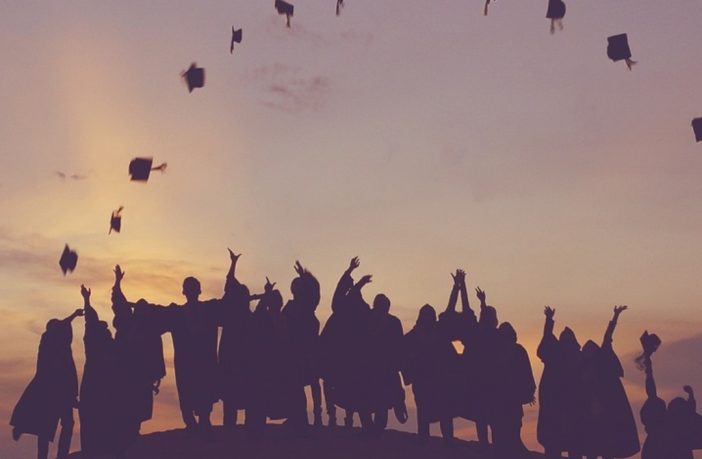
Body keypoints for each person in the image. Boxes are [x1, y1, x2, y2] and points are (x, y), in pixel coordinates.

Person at [112, 249, 238, 437]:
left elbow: (230, 300)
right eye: (190, 288)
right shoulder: (178, 313)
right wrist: (121, 289)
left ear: (195, 291)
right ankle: (194, 425)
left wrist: (232, 266)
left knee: (203, 400)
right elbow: (148, 311)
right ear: (186, 292)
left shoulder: (207, 310)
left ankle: (201, 424)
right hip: (187, 365)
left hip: (203, 363)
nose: (192, 291)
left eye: (193, 288)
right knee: (188, 399)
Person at [11, 308, 82, 459]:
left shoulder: (55, 345)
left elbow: (63, 324)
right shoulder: (50, 344)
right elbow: (63, 325)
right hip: (54, 392)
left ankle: (59, 455)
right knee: (49, 426)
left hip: (61, 392)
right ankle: (51, 455)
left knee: (61, 424)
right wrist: (74, 316)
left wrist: (74, 315)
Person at [319, 257, 374, 431]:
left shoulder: (354, 308)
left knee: (348, 384)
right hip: (335, 351)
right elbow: (343, 292)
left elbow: (347, 293)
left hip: (348, 353)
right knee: (330, 382)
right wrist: (353, 274)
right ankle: (333, 415)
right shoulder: (342, 307)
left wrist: (357, 280)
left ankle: (345, 416)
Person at [111, 265, 166, 436]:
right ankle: (128, 434)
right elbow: (118, 302)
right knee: (127, 407)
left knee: (137, 409)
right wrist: (117, 282)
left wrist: (156, 376)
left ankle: (133, 433)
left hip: (141, 375)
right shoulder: (128, 323)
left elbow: (156, 354)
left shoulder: (150, 331)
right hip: (126, 372)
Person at [79, 284, 133, 458]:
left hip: (103, 395)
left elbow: (91, 321)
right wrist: (87, 301)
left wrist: (87, 300)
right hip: (97, 394)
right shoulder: (100, 347)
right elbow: (91, 321)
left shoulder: (108, 347)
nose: (107, 331)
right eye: (105, 330)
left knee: (101, 431)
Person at [580, 306, 639, 459]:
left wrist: (615, 316)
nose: (587, 352)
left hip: (607, 411)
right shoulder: (582, 370)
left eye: (589, 350)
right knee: (592, 448)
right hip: (589, 414)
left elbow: (607, 337)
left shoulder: (602, 364)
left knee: (608, 448)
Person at [402, 304, 458, 444]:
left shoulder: (440, 335)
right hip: (422, 381)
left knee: (444, 411)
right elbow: (403, 356)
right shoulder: (412, 337)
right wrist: (409, 376)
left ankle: (447, 440)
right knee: (424, 410)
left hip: (440, 381)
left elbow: (451, 357)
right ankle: (425, 439)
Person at [537, 306, 586, 458]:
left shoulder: (577, 360)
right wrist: (548, 320)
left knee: (573, 445)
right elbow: (546, 340)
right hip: (554, 408)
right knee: (554, 444)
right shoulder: (555, 356)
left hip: (572, 408)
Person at [282, 261, 322, 427]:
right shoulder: (290, 308)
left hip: (308, 350)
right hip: (294, 352)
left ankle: (317, 416)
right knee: (296, 385)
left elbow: (315, 288)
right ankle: (299, 417)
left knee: (313, 382)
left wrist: (303, 274)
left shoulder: (309, 305)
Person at [491, 321, 536, 459]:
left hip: (509, 402)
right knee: (503, 437)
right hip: (501, 402)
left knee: (510, 436)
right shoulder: (498, 352)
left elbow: (526, 375)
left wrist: (528, 392)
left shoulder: (516, 351)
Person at [218, 251, 252, 427]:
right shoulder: (238, 315)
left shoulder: (235, 316)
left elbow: (230, 283)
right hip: (232, 362)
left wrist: (233, 264)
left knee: (234, 400)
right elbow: (230, 282)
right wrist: (233, 263)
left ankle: (233, 430)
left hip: (238, 362)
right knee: (234, 399)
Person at [367, 293, 407, 432]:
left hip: (384, 367)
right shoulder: (372, 319)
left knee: (381, 400)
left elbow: (399, 346)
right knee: (377, 399)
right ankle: (374, 426)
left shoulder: (391, 322)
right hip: (376, 367)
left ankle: (376, 427)